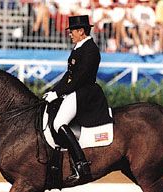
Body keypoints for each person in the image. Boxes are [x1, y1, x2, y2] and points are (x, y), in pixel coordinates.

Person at [42, 15, 112, 183]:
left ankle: (81, 164)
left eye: (72, 31)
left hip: (85, 93)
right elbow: (69, 75)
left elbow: (80, 77)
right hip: (76, 90)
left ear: (81, 31)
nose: (70, 34)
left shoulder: (90, 49)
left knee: (59, 123)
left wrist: (58, 94)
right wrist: (54, 91)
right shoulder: (79, 47)